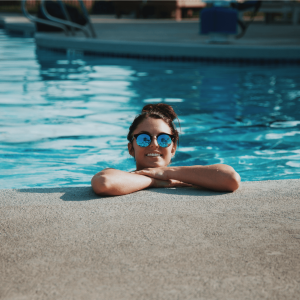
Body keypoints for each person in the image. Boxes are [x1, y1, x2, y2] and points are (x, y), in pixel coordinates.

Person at [91, 103, 240, 196]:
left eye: (164, 139)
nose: (154, 144)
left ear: (173, 148)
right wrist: (155, 181)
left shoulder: (191, 175)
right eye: (144, 138)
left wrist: (166, 172)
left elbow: (230, 179)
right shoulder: (121, 177)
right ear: (131, 148)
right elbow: (104, 182)